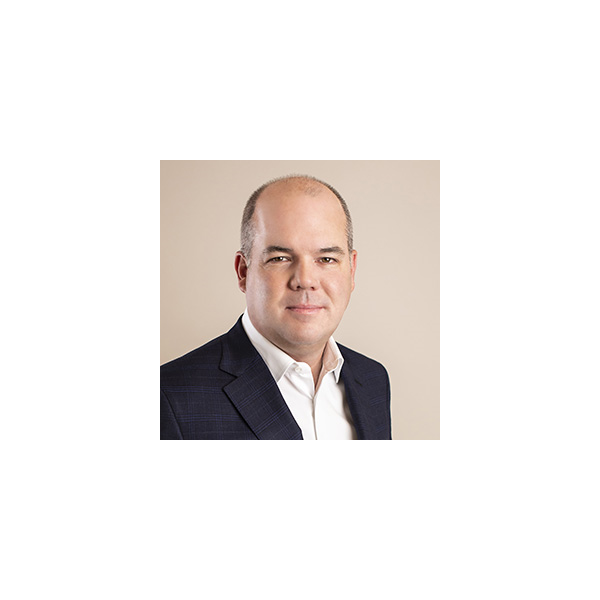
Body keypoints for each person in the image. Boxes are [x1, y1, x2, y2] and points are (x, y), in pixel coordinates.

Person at [160, 175, 391, 440]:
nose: (305, 280)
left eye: (326, 259)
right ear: (243, 272)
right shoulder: (172, 398)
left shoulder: (372, 380)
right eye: (280, 258)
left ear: (351, 270)